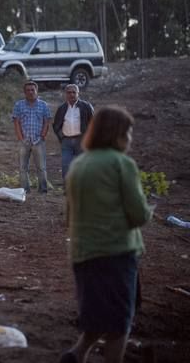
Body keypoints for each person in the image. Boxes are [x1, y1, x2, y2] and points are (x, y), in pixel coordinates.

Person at [61, 106, 153, 363]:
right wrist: (149, 211)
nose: (131, 138)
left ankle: (76, 355)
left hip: (83, 254)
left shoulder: (78, 165)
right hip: (117, 253)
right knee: (119, 322)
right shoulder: (122, 164)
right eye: (129, 132)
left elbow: (68, 216)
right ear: (118, 134)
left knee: (98, 312)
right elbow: (138, 215)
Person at [12, 81, 51, 193]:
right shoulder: (18, 105)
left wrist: (42, 137)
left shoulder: (43, 105)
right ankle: (25, 190)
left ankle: (43, 190)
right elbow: (16, 122)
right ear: (24, 92)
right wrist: (20, 138)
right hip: (24, 141)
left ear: (36, 91)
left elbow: (46, 122)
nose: (30, 92)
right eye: (28, 90)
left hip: (38, 141)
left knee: (41, 167)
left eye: (32, 90)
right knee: (22, 168)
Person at [53, 84, 94, 180]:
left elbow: (93, 124)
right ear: (65, 94)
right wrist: (61, 137)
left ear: (78, 93)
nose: (71, 94)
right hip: (66, 141)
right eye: (69, 92)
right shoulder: (62, 108)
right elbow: (56, 125)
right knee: (66, 165)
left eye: (74, 92)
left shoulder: (86, 106)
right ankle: (68, 188)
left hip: (81, 140)